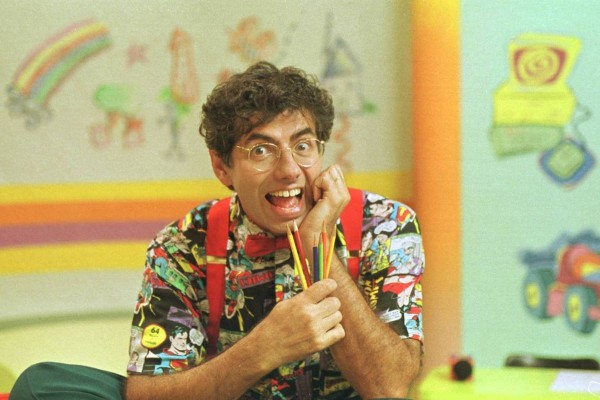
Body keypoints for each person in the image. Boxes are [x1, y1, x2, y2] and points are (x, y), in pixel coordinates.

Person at [10, 61, 424, 400]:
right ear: (222, 167)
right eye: (261, 150)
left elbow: (389, 387)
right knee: (43, 385)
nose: (288, 170)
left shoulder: (385, 224)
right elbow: (147, 394)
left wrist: (318, 247)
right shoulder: (182, 244)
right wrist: (261, 350)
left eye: (303, 145)